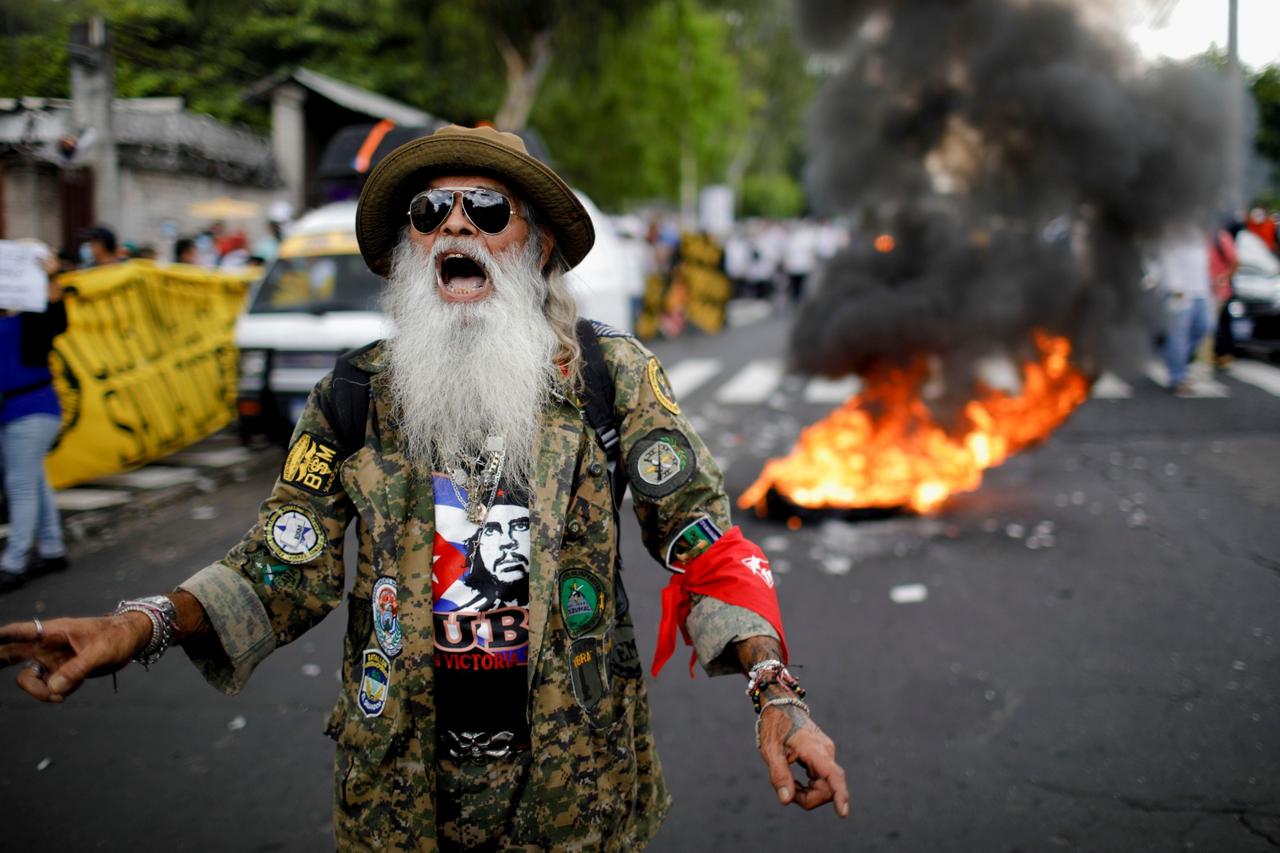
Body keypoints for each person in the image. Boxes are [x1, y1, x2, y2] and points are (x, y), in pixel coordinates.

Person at [0, 124, 847, 849]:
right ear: (409, 246)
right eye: (429, 212)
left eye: (486, 210)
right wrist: (140, 624)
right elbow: (280, 564)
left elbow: (702, 543)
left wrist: (776, 691)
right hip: (400, 801)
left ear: (540, 242)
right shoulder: (355, 393)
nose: (454, 229)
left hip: (574, 795)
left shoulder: (611, 376)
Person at [0, 247, 69, 592]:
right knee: (34, 482)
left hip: (31, 412)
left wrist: (51, 276)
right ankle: (52, 548)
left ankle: (13, 562)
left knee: (21, 485)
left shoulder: (31, 321)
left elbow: (57, 317)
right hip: (21, 414)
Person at [1152, 222, 1213, 396]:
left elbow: (1202, 265)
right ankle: (1178, 377)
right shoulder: (1172, 230)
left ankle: (1172, 355)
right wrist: (1175, 287)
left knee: (1205, 326)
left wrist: (1208, 290)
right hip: (1180, 292)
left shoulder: (1200, 232)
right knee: (1178, 335)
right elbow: (1166, 259)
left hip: (1200, 291)